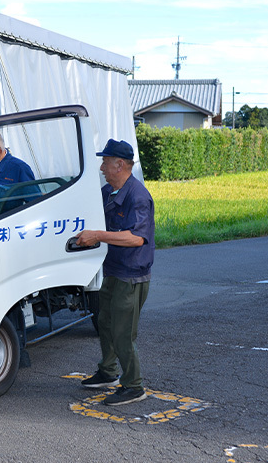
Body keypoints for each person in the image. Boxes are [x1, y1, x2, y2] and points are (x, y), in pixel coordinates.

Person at [75, 139, 155, 406]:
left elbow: (136, 238)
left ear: (120, 164)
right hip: (112, 270)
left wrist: (97, 235)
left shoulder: (137, 195)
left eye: (105, 162)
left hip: (131, 276)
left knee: (123, 333)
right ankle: (108, 372)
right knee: (106, 325)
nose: (101, 167)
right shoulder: (109, 190)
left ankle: (134, 386)